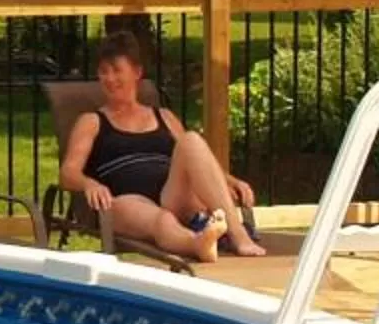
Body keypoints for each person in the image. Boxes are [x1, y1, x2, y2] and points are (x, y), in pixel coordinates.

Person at [58, 35, 265, 264]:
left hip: (172, 195)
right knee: (162, 220)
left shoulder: (164, 116)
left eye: (117, 70)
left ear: (137, 72)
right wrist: (89, 184)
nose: (109, 78)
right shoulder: (92, 121)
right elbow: (68, 172)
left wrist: (231, 181)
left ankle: (238, 235)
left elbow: (198, 160)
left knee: (191, 140)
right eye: (103, 72)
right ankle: (198, 244)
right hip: (125, 201)